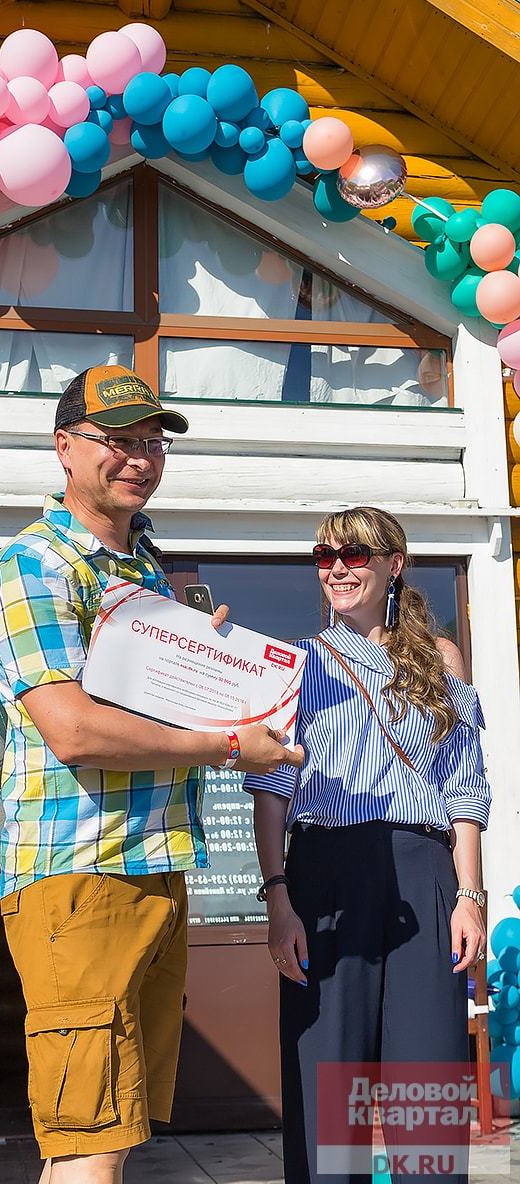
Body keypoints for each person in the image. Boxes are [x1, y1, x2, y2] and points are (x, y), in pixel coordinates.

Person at [0, 364, 304, 1184]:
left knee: (111, 1136)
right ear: (64, 448)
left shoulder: (148, 575)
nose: (139, 457)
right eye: (117, 440)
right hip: (79, 878)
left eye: (152, 441)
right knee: (86, 1137)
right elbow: (75, 732)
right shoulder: (34, 567)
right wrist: (231, 747)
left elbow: (157, 709)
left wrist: (209, 664)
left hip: (153, 868)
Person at [245, 506, 491, 1184]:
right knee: (329, 1097)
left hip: (423, 870)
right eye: (325, 557)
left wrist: (469, 895)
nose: (339, 569)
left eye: (354, 554)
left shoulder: (441, 660)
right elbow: (273, 792)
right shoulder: (290, 664)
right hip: (324, 874)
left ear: (394, 565)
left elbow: (464, 787)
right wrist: (278, 899)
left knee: (428, 1091)